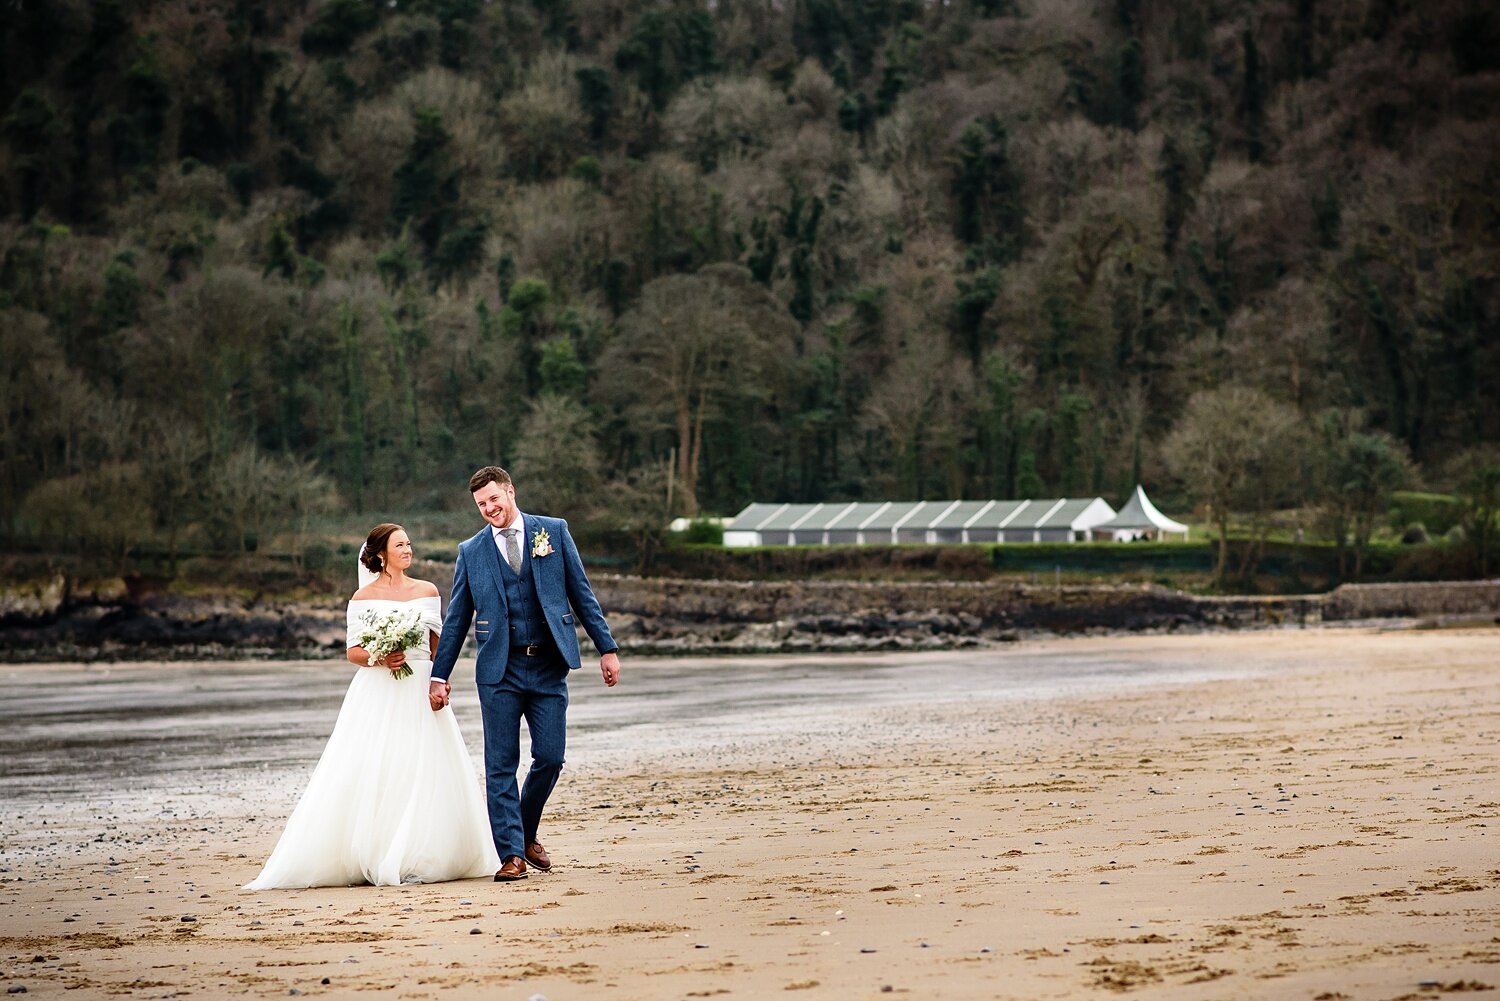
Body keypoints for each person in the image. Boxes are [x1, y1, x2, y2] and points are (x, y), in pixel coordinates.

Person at [244, 523, 500, 888]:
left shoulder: (427, 591)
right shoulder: (361, 599)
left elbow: (437, 645)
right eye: (400, 545)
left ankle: (420, 850)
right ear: (381, 554)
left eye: (409, 543)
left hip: (419, 687)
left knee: (422, 763)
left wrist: (439, 680)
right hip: (378, 689)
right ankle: (375, 851)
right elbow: (353, 651)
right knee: (378, 764)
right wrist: (380, 657)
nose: (408, 550)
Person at [429, 466, 621, 882]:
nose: (489, 509)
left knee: (550, 757)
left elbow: (581, 591)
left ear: (510, 491)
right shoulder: (471, 551)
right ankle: (512, 855)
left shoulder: (552, 531)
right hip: (499, 670)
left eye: (494, 499)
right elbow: (457, 618)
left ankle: (526, 827)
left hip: (549, 664)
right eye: (481, 505)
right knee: (500, 764)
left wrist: (607, 648)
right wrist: (439, 675)